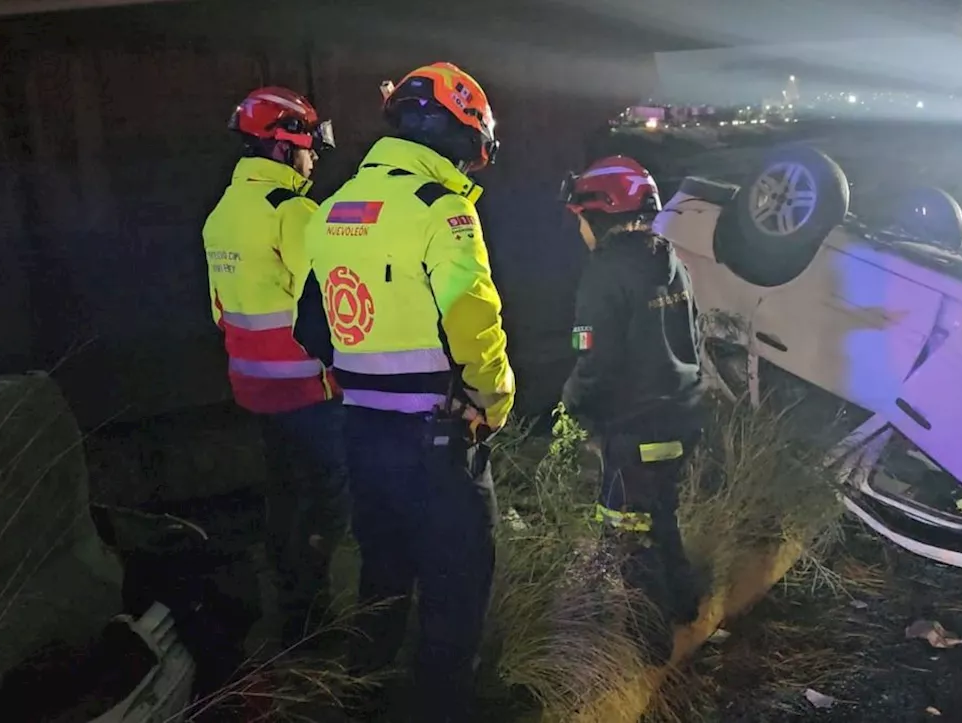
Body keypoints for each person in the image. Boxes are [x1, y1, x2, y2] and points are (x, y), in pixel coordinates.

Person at [302, 61, 514, 723]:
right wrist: (493, 398)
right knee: (456, 592)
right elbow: (472, 320)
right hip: (441, 440)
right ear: (459, 137)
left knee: (382, 582)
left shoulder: (330, 210)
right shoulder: (442, 211)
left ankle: (360, 700)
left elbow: (311, 323)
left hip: (363, 434)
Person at [201, 86, 349, 651]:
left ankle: (293, 621)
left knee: (284, 501)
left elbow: (220, 313)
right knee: (330, 510)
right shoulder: (293, 212)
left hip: (254, 390)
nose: (314, 158)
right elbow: (329, 308)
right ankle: (326, 627)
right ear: (284, 148)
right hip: (310, 391)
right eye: (310, 146)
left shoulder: (221, 215)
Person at [558, 155, 708, 663]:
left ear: (600, 215)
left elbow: (595, 359)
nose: (579, 228)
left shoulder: (604, 273)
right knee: (661, 513)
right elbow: (692, 339)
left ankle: (649, 649)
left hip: (636, 425)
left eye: (581, 217)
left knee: (629, 534)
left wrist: (572, 400)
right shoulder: (672, 262)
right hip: (682, 417)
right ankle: (687, 606)